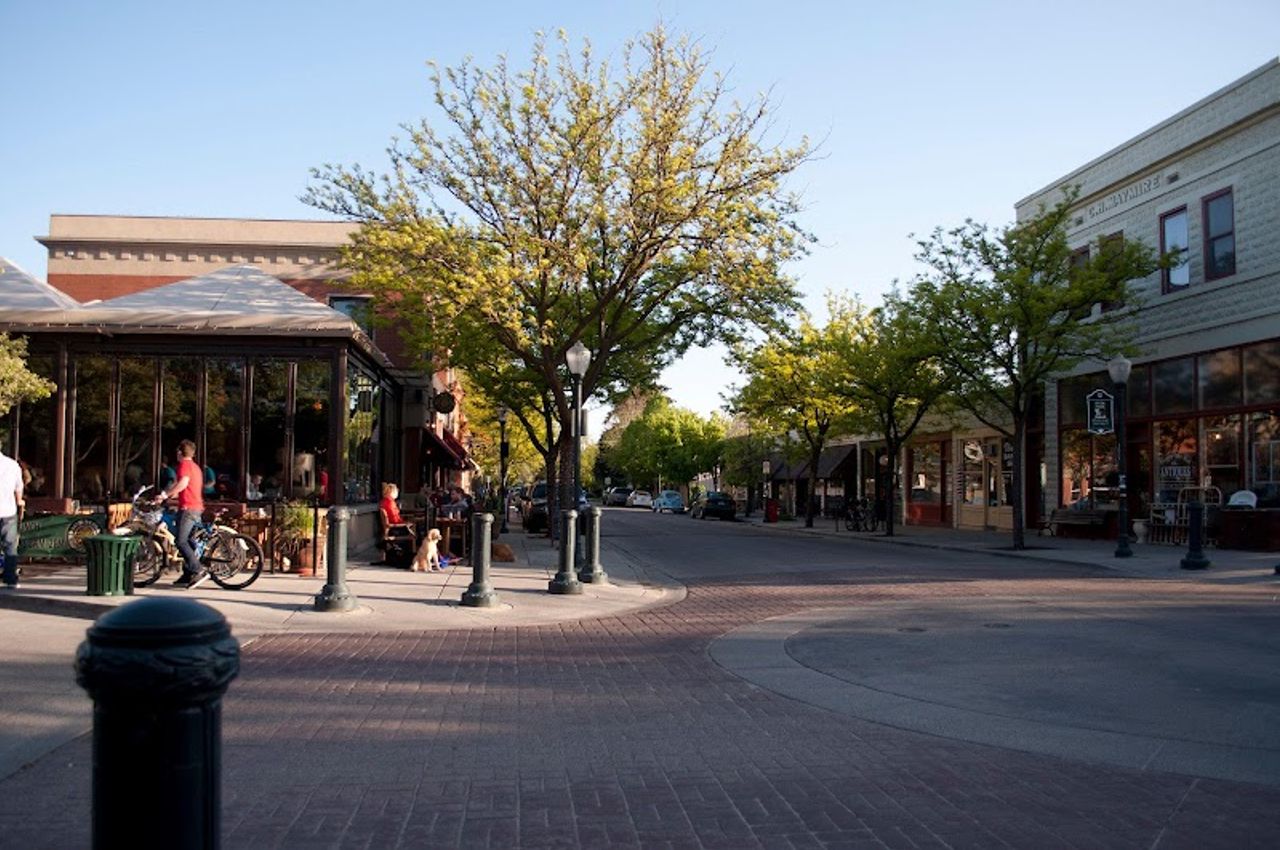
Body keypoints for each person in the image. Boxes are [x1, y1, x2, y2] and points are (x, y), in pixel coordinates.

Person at [155, 440, 207, 588]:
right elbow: (186, 487)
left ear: (179, 452)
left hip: (188, 508)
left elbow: (182, 484)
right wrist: (170, 495)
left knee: (181, 541)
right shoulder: (195, 467)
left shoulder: (184, 465)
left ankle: (198, 570)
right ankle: (188, 574)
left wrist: (164, 495)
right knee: (189, 541)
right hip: (196, 507)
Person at [1, 446, 25, 589]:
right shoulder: (12, 465)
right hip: (8, 510)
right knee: (10, 546)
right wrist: (19, 500)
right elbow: (18, 487)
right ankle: (10, 579)